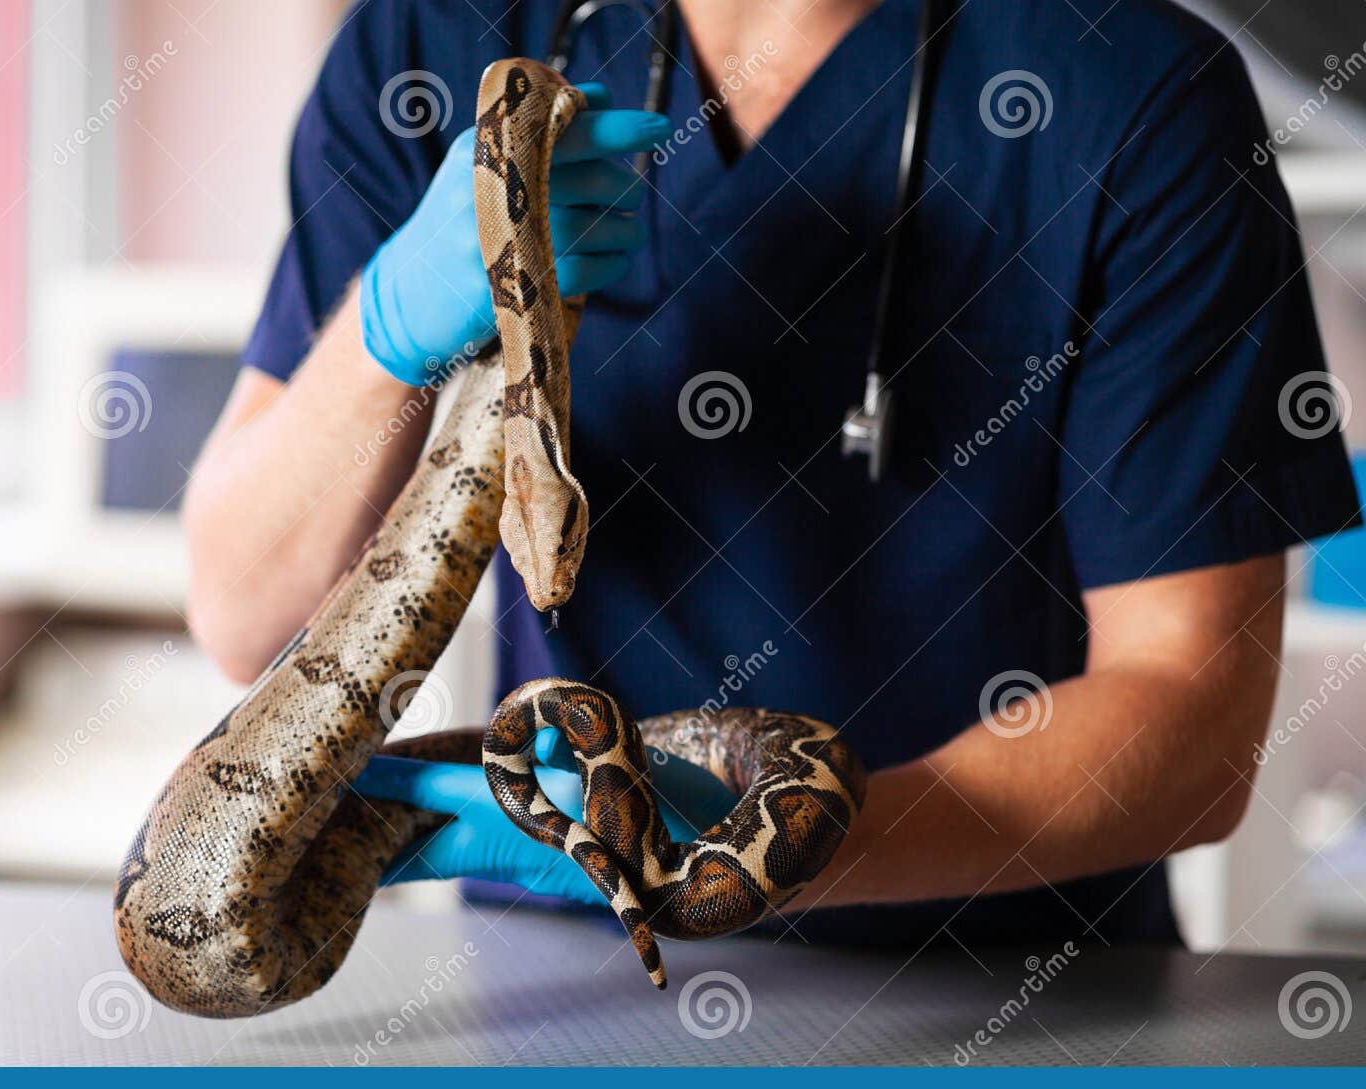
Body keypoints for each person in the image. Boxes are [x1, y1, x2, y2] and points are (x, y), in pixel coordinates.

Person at [182, 0, 1359, 950]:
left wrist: (776, 847)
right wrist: (388, 329)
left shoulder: (1135, 91)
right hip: (559, 967)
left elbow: (1192, 726)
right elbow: (246, 613)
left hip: (1008, 990)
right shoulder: (436, 43)